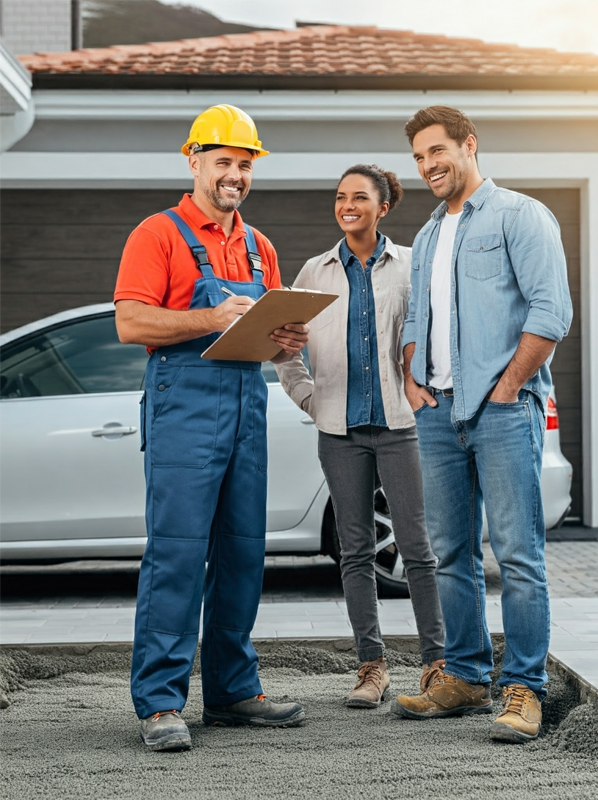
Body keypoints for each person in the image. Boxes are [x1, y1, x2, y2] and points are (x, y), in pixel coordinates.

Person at [115, 104, 309, 752]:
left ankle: (231, 690)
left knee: (243, 552)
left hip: (246, 408)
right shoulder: (158, 235)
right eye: (223, 161)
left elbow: (273, 350)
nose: (234, 175)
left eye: (245, 164)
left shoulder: (261, 247)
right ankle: (161, 702)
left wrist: (286, 341)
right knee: (176, 554)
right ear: (192, 159)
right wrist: (211, 318)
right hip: (183, 411)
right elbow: (132, 324)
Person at [391, 106, 573, 744]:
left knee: (518, 556)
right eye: (418, 158)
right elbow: (418, 322)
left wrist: (509, 385)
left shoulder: (520, 216)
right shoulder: (431, 233)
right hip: (438, 415)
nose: (428, 166)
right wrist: (413, 381)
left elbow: (552, 310)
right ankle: (465, 677)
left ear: (469, 146)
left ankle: (524, 687)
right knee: (451, 555)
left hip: (502, 410)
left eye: (437, 151)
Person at [276, 164, 445, 708]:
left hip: (401, 428)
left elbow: (433, 338)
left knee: (417, 550)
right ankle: (372, 669)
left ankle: (437, 664)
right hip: (339, 432)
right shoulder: (314, 272)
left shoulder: (411, 268)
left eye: (359, 197)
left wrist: (426, 395)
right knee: (354, 551)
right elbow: (285, 349)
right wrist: (308, 397)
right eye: (340, 196)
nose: (347, 205)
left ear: (383, 207)